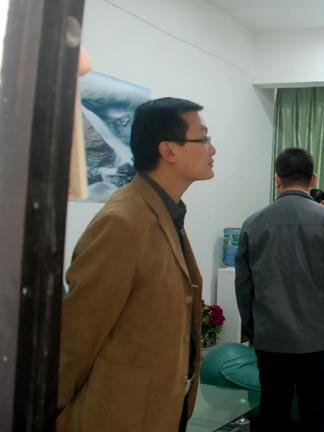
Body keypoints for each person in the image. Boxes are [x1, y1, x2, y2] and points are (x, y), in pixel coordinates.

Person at [58, 97, 216, 432]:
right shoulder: (123, 222)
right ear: (168, 151)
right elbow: (77, 335)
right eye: (203, 138)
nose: (212, 149)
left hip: (160, 409)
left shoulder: (165, 211)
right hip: (118, 414)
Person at [236, 148, 324, 432]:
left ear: (277, 179)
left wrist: (254, 329)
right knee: (316, 420)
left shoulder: (252, 224)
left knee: (272, 417)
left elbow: (244, 286)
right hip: (319, 340)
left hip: (270, 340)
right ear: (313, 178)